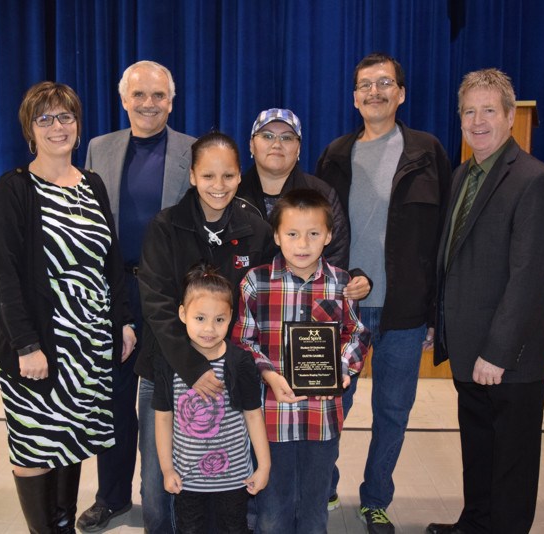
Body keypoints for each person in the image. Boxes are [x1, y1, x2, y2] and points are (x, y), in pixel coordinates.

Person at [0, 81, 136, 534]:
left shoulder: (92, 184)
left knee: (70, 439)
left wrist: (123, 320)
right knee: (34, 444)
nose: (57, 126)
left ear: (78, 125)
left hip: (86, 346)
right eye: (45, 118)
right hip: (37, 347)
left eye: (65, 117)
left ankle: (65, 525)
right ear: (30, 129)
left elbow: (111, 259)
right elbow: (2, 275)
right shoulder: (14, 189)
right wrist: (26, 344)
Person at [426, 69, 544, 534]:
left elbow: (531, 278)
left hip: (508, 356)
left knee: (512, 463)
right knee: (479, 448)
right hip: (471, 349)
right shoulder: (463, 173)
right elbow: (451, 259)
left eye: (489, 110)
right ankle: (475, 522)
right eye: (469, 111)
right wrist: (437, 322)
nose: (478, 120)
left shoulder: (535, 180)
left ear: (510, 117)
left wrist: (497, 352)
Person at [315, 52, 451, 531]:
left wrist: (437, 310)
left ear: (401, 93)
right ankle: (323, 488)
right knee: (331, 408)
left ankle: (376, 498)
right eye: (365, 85)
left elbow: (442, 240)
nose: (375, 91)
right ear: (354, 98)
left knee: (392, 412)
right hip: (342, 310)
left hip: (405, 313)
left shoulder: (427, 152)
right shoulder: (333, 155)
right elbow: (316, 230)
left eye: (385, 83)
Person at [137, 131, 277, 533]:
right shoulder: (165, 227)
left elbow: (259, 307)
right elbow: (159, 306)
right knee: (160, 488)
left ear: (239, 176)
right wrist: (193, 366)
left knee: (233, 481)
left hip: (231, 375)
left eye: (229, 176)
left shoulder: (255, 229)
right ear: (193, 176)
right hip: (167, 371)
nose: (219, 186)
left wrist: (245, 367)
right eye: (209, 176)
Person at [78, 60, 196, 533]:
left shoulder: (193, 150)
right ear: (123, 99)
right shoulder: (98, 148)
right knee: (113, 397)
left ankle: (165, 494)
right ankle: (111, 496)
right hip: (114, 290)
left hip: (169, 292)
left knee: (166, 398)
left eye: (158, 95)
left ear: (172, 100)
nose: (149, 104)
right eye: (139, 95)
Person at [232, 188, 371, 534]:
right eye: (292, 234)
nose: (302, 243)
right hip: (271, 419)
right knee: (272, 509)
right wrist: (267, 373)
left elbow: (356, 334)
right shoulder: (255, 283)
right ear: (277, 235)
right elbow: (243, 341)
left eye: (313, 234)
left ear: (328, 235)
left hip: (322, 418)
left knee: (314, 508)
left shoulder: (341, 284)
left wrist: (343, 369)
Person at [153, 263, 271, 534]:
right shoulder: (169, 363)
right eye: (200, 318)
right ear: (183, 314)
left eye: (219, 319)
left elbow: (253, 415)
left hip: (234, 479)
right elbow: (163, 418)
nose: (209, 328)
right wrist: (167, 468)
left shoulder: (240, 362)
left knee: (234, 528)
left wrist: (264, 465)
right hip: (188, 480)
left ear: (231, 318)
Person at [238, 108, 352, 271]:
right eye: (267, 136)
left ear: (298, 149)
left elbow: (336, 256)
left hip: (308, 295)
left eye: (286, 138)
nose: (276, 144)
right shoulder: (231, 194)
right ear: (251, 145)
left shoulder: (321, 195)